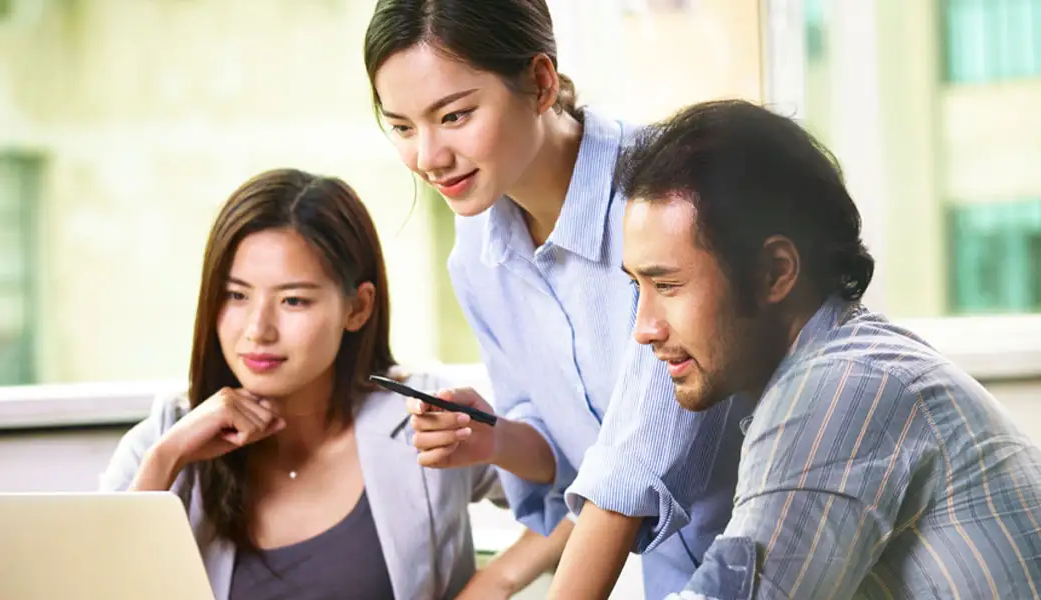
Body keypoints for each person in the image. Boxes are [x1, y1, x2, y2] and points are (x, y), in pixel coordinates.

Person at [363, 1, 750, 597]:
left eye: (456, 115)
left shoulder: (668, 199)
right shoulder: (477, 256)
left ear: (541, 83)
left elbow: (629, 471)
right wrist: (491, 437)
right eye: (403, 127)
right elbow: (567, 452)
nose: (428, 157)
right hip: (676, 580)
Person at [612, 99, 1041, 599]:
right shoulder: (852, 364)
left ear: (775, 272)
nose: (643, 328)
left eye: (668, 286)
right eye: (636, 287)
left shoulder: (840, 388)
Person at [98, 168, 569, 600]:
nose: (256, 330)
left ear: (358, 308)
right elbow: (98, 589)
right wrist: (166, 460)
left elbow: (588, 487)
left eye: (294, 301)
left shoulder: (418, 424)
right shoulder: (163, 440)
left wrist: (498, 580)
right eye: (235, 295)